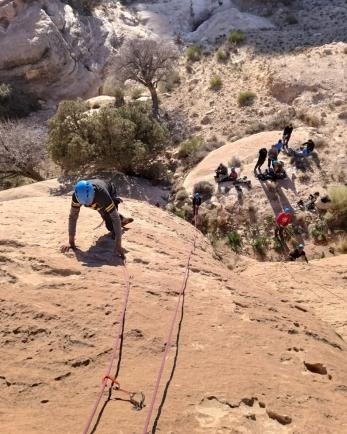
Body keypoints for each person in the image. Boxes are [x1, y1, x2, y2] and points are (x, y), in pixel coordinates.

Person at [61, 179, 132, 258]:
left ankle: (121, 219)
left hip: (109, 191)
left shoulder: (103, 195)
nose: (89, 205)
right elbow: (73, 217)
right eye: (85, 204)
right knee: (104, 212)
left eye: (89, 202)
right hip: (97, 199)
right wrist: (71, 242)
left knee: (111, 225)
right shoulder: (76, 196)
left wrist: (118, 245)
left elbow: (115, 218)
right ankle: (120, 218)